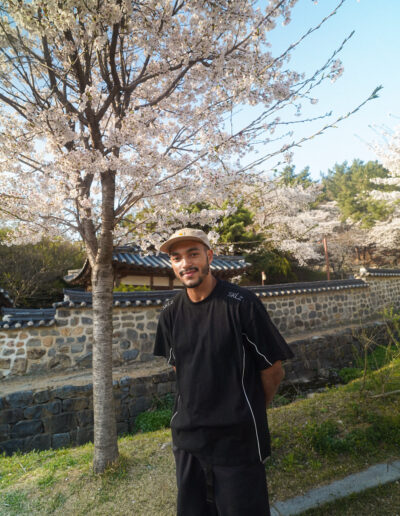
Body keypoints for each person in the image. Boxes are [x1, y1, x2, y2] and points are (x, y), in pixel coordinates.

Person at [154, 228, 294, 516]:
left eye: (193, 254)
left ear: (209, 256)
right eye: (176, 257)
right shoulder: (169, 312)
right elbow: (181, 369)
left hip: (237, 441)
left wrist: (248, 410)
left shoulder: (242, 304)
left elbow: (272, 370)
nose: (185, 263)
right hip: (189, 440)